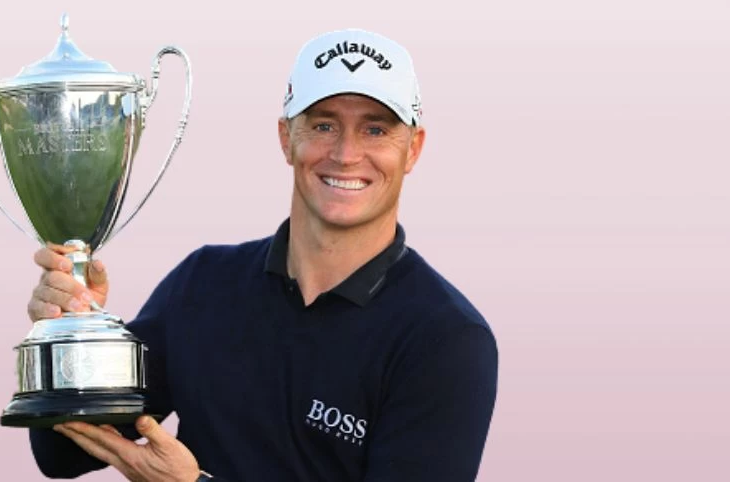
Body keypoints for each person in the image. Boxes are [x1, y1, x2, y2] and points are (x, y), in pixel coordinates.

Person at [25, 29, 498, 481]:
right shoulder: (203, 283)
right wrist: (71, 334)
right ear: (286, 138)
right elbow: (62, 454)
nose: (346, 153)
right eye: (324, 125)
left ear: (412, 149)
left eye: (375, 129)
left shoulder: (446, 339)